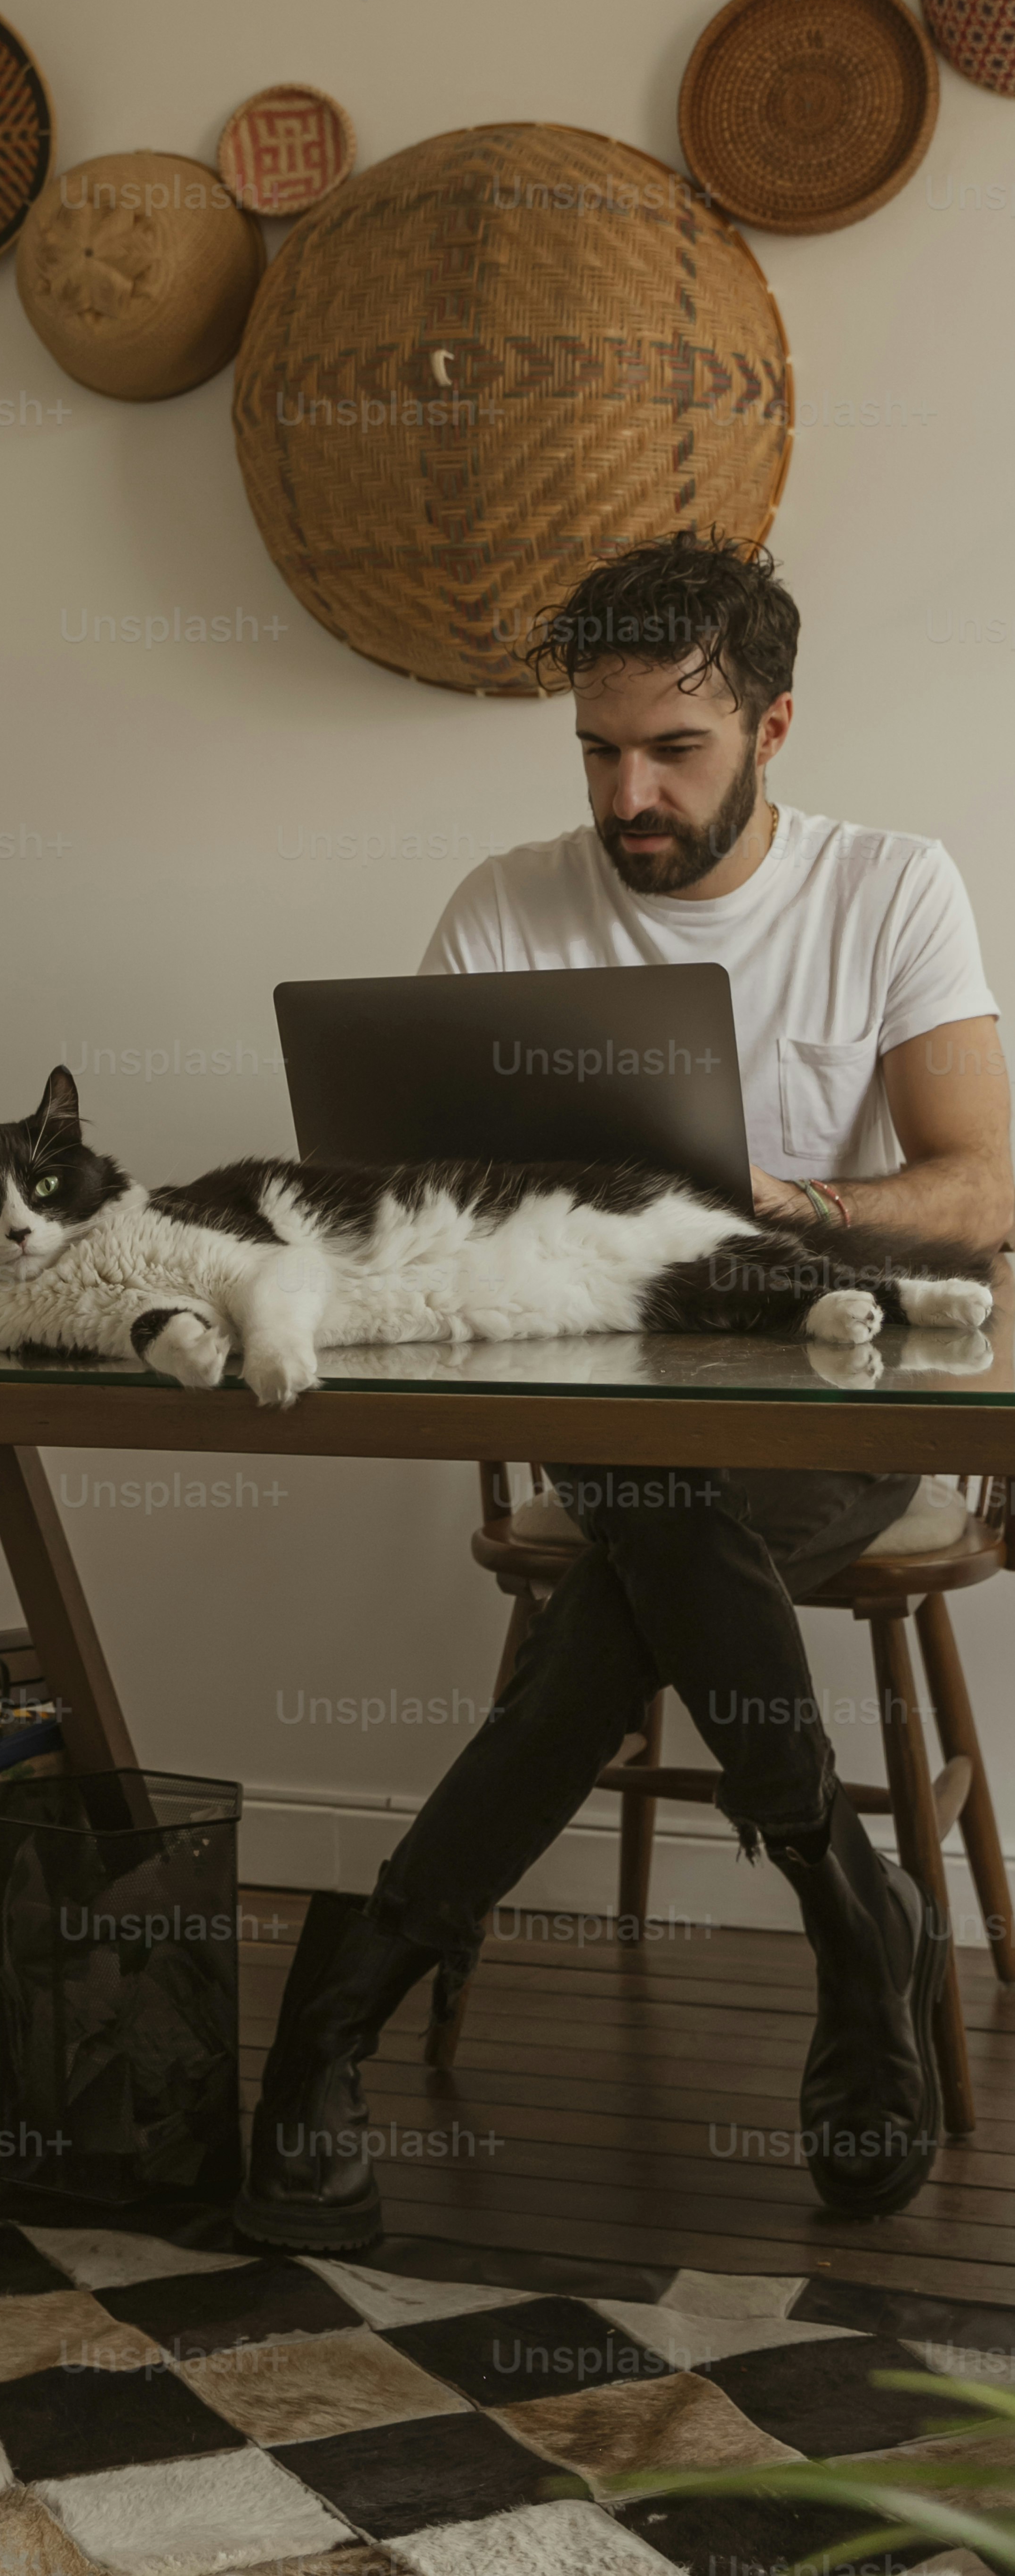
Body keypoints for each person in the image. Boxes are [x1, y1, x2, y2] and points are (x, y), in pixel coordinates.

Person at [239, 528, 1012, 2246]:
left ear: (775, 727)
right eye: (597, 749)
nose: (629, 789)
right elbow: (395, 1202)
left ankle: (338, 2014)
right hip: (590, 1385)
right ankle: (851, 1908)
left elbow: (980, 1190)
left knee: (645, 1555)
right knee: (653, 1498)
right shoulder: (508, 903)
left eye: (675, 747)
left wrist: (786, 1208)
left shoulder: (891, 885)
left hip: (832, 1388)